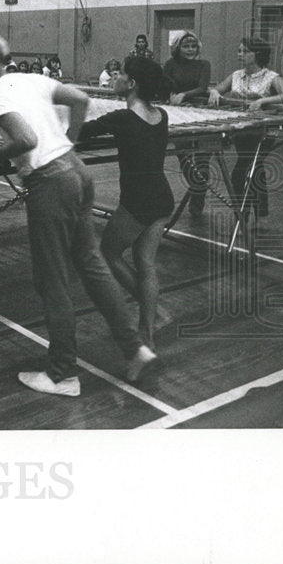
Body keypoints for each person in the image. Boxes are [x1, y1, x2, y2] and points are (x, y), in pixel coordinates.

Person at [0, 31, 155, 396]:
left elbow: (27, 140)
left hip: (51, 183)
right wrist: (70, 140)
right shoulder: (32, 79)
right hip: (76, 171)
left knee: (52, 281)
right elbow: (80, 100)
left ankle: (63, 374)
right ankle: (135, 347)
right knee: (92, 267)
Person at [79, 57, 175, 350]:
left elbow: (83, 132)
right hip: (162, 197)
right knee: (145, 262)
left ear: (131, 83)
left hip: (138, 201)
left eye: (119, 73)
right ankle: (149, 326)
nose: (114, 77)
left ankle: (154, 313)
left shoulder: (122, 119)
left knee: (109, 252)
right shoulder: (161, 115)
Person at [208, 36, 283, 217]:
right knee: (256, 166)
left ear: (257, 54)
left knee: (241, 171)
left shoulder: (271, 77)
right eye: (239, 50)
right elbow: (217, 88)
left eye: (244, 51)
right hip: (241, 128)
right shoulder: (236, 75)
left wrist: (264, 100)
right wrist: (215, 92)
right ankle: (260, 211)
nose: (239, 54)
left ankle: (242, 213)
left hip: (263, 129)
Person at [163, 31, 212, 217]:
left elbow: (202, 87)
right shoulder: (170, 64)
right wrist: (169, 94)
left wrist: (184, 95)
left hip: (201, 113)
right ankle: (196, 185)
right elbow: (164, 83)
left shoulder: (204, 64)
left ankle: (197, 198)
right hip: (178, 114)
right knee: (183, 154)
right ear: (178, 48)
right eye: (186, 46)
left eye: (193, 46)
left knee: (203, 159)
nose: (190, 49)